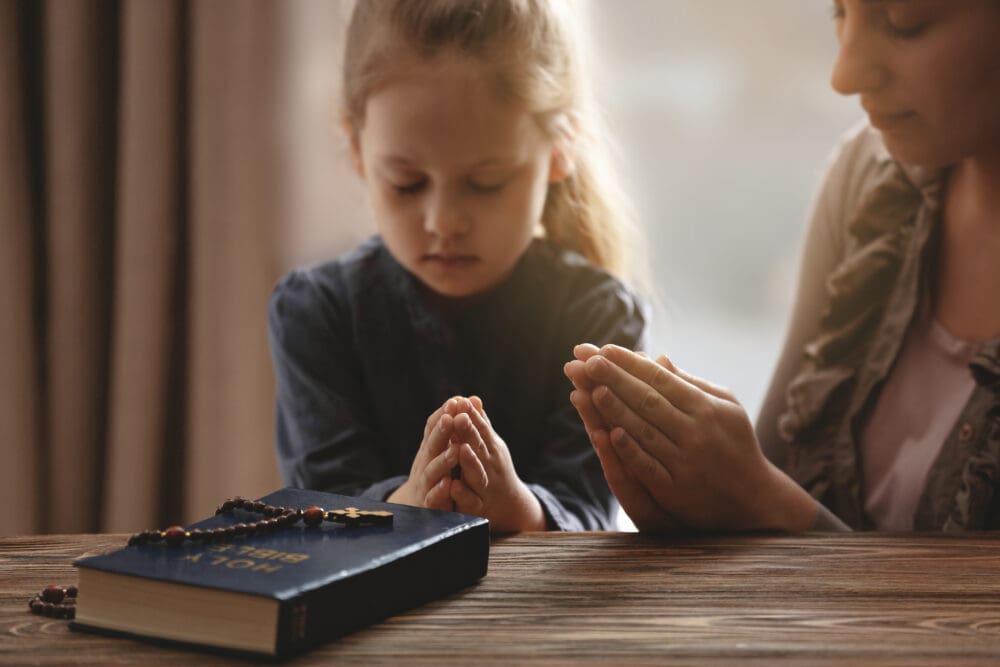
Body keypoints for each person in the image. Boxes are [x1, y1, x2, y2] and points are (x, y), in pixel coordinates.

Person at [565, 0, 1000, 532]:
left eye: (904, 23)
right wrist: (696, 489)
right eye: (838, 13)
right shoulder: (870, 184)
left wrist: (765, 501)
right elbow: (777, 463)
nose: (844, 75)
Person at [268, 0, 646, 533]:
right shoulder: (315, 313)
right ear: (355, 146)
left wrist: (511, 503)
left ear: (561, 149)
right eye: (408, 183)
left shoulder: (598, 316)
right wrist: (413, 499)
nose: (444, 222)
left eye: (486, 183)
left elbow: (586, 515)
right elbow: (321, 514)